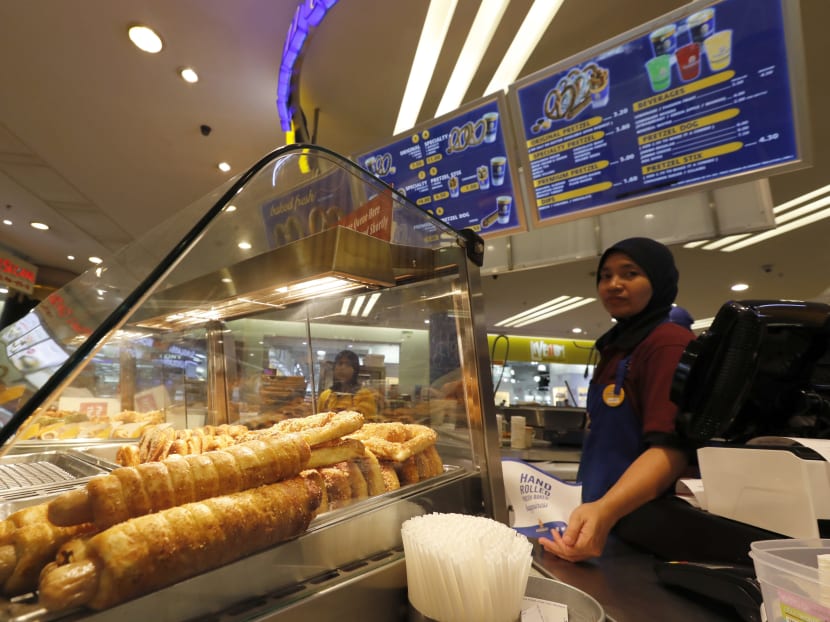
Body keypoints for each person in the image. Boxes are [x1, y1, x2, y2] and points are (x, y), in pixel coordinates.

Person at [539, 237, 695, 562]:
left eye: (630, 273)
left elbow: (670, 450)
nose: (613, 284)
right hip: (600, 519)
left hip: (642, 528)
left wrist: (605, 511)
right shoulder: (618, 347)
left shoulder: (668, 343)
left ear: (659, 280)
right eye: (605, 275)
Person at [317, 350, 378, 417]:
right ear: (334, 368)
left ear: (355, 370)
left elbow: (369, 422)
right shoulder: (325, 395)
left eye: (348, 364)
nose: (343, 368)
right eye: (340, 363)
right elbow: (318, 420)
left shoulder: (365, 395)